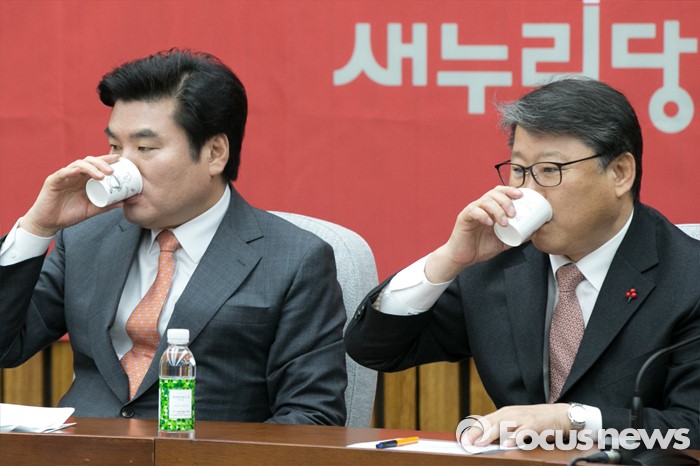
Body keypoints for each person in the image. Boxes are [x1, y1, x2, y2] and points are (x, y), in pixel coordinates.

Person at [345, 77, 700, 448]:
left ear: (620, 173)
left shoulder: (688, 280)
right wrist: (450, 259)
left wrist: (571, 420)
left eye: (549, 171)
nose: (527, 192)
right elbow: (374, 350)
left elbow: (691, 429)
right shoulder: (497, 266)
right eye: (518, 170)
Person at [0, 49, 347, 425]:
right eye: (115, 146)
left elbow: (312, 416)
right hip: (79, 448)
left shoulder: (294, 260)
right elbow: (6, 346)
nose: (121, 167)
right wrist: (37, 228)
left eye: (145, 148)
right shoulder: (86, 238)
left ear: (214, 153)